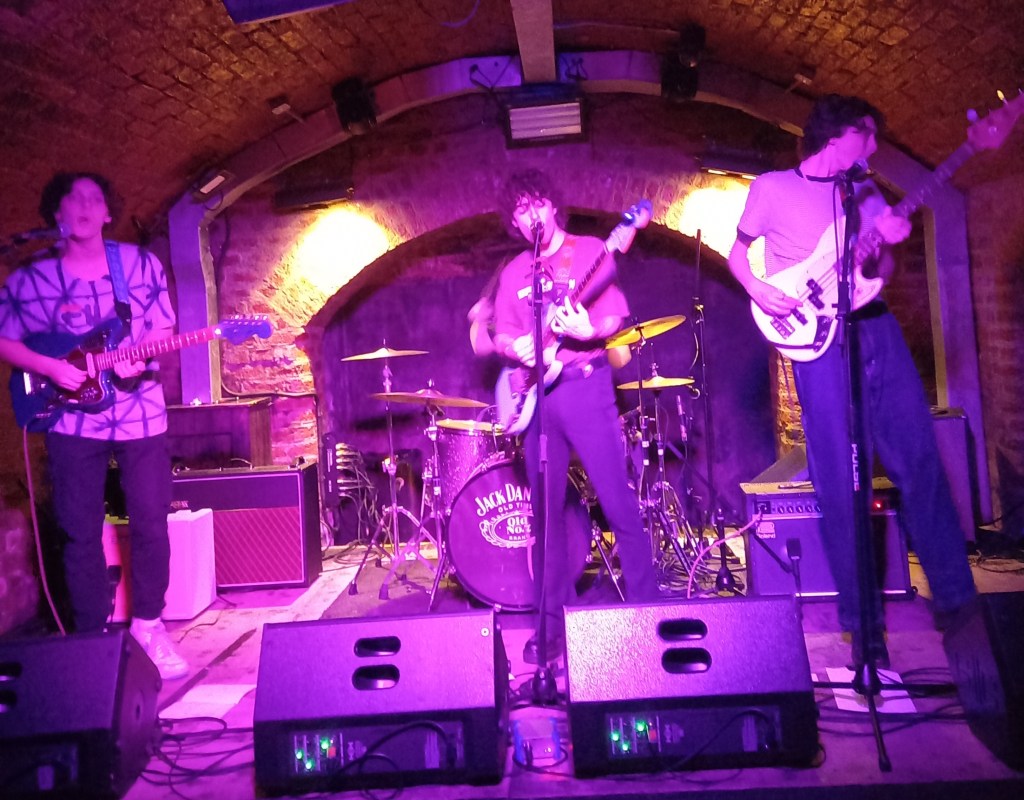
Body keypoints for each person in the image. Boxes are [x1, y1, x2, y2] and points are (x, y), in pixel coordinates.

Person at [727, 95, 978, 667]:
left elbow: (880, 273)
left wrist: (881, 248)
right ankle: (863, 632)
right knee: (840, 482)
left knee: (919, 460)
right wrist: (760, 289)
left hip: (875, 329)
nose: (876, 146)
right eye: (869, 134)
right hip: (817, 342)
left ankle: (962, 611)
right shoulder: (771, 188)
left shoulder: (865, 191)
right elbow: (739, 255)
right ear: (837, 134)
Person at [0, 172, 188, 680]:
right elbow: (5, 337)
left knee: (151, 520)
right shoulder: (31, 279)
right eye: (73, 198)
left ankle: (149, 626)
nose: (84, 205)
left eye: (95, 198)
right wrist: (50, 368)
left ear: (108, 212)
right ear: (56, 212)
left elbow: (163, 325)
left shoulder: (140, 264)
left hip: (140, 414)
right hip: (68, 418)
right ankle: (90, 641)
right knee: (78, 530)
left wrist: (136, 356)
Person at [490, 169, 658, 664]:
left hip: (585, 388)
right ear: (514, 221)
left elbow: (615, 317)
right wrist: (516, 348)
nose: (532, 215)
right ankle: (550, 627)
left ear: (552, 206)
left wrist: (588, 330)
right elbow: (500, 334)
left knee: (617, 501)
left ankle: (649, 614)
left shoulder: (590, 252)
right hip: (537, 400)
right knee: (545, 517)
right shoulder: (514, 272)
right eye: (521, 209)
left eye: (537, 203)